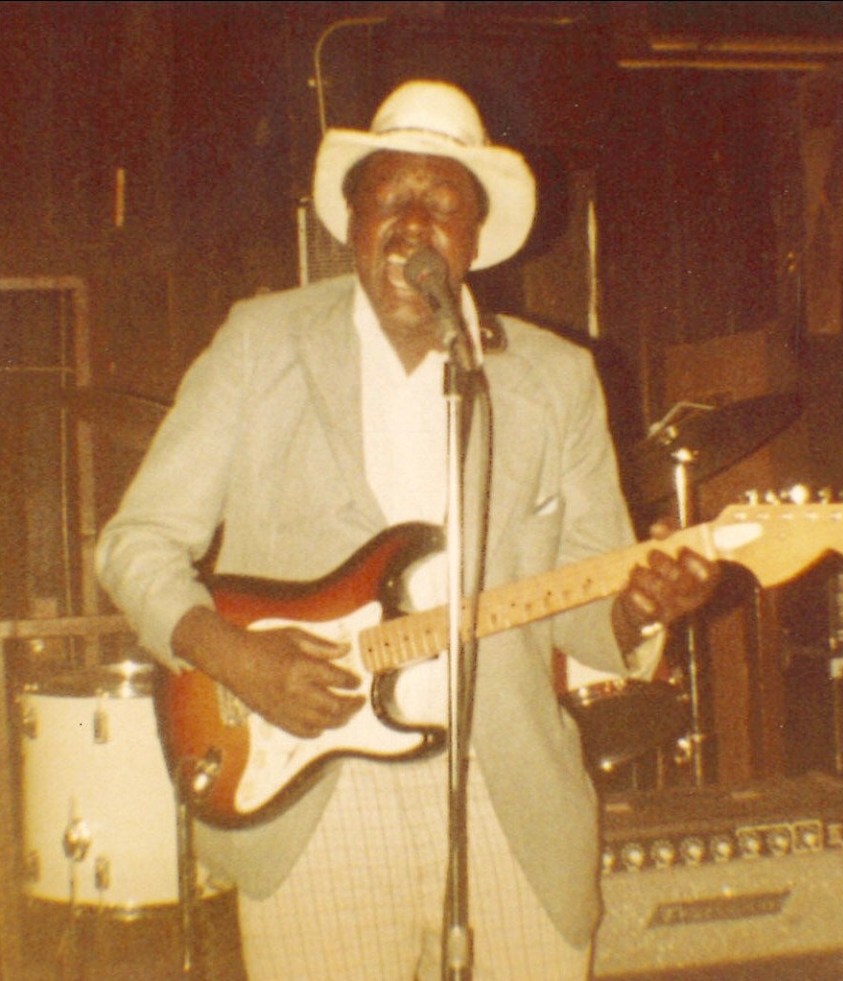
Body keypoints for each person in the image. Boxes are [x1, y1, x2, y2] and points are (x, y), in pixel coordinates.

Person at [96, 79, 719, 980]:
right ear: (351, 221)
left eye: (442, 203)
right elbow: (136, 542)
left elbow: (586, 595)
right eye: (389, 196)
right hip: (318, 805)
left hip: (510, 799)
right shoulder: (260, 343)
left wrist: (639, 606)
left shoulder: (555, 378)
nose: (412, 223)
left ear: (474, 236)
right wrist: (234, 657)